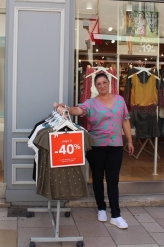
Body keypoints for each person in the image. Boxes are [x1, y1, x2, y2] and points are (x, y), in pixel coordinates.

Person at [55, 72, 134, 229]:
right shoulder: (91, 103)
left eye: (104, 82)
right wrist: (66, 108)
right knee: (98, 178)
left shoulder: (119, 100)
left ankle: (116, 215)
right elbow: (79, 110)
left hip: (116, 146)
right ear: (95, 86)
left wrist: (129, 141)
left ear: (109, 84)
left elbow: (125, 121)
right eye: (99, 84)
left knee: (113, 180)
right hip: (96, 146)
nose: (102, 86)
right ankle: (101, 208)